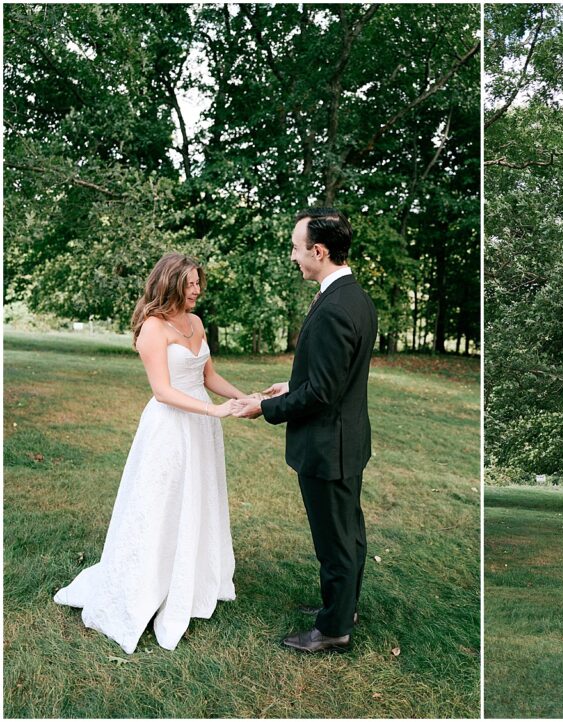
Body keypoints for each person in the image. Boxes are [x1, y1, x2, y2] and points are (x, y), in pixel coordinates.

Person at [54, 253, 249, 654]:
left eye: (199, 283)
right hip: (170, 426)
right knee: (160, 504)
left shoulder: (195, 323)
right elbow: (163, 390)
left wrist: (244, 399)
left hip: (201, 427)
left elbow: (208, 376)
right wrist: (213, 409)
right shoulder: (152, 328)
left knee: (198, 499)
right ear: (172, 282)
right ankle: (149, 583)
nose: (198, 290)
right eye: (191, 283)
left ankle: (192, 579)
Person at [234, 207, 378, 654]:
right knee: (349, 533)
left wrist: (267, 406)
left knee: (335, 541)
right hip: (346, 440)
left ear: (319, 251)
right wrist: (293, 383)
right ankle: (342, 607)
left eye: (297, 248)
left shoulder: (337, 307)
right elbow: (327, 379)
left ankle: (334, 628)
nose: (293, 256)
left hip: (327, 447)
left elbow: (323, 395)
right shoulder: (353, 296)